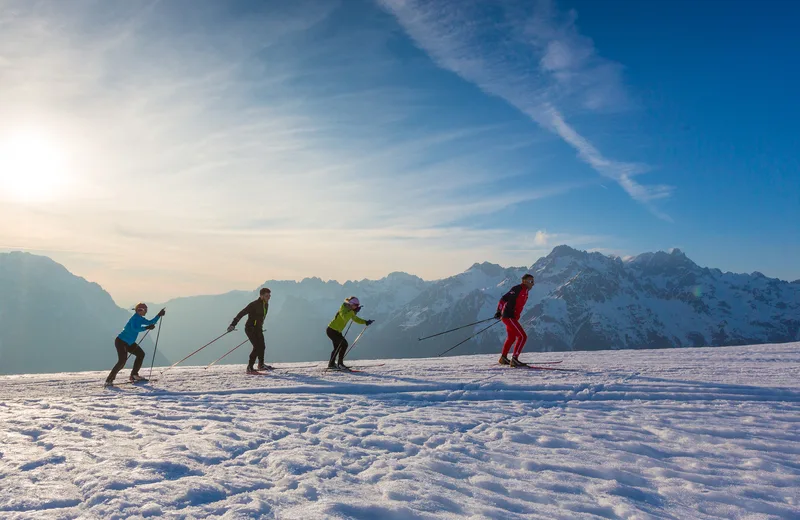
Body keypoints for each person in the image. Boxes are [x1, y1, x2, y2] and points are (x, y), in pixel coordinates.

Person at [105, 303, 165, 386]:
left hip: (129, 342)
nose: (146, 311)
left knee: (140, 354)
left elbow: (150, 322)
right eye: (145, 310)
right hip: (121, 342)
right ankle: (109, 380)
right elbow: (135, 328)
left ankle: (134, 375)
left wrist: (159, 315)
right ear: (139, 310)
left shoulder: (140, 318)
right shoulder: (134, 319)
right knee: (122, 361)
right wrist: (147, 327)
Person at [228, 287, 271, 374]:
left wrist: (259, 326)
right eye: (267, 296)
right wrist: (233, 324)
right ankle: (250, 367)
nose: (269, 297)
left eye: (269, 295)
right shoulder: (254, 304)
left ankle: (261, 365)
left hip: (258, 328)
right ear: (261, 296)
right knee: (257, 347)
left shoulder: (266, 304)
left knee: (262, 346)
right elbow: (242, 313)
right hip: (250, 328)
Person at [495, 274, 534, 367]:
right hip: (509, 316)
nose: (533, 283)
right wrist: (498, 311)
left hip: (512, 317)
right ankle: (515, 359)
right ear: (524, 281)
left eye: (533, 281)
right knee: (522, 336)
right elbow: (504, 298)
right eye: (531, 281)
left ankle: (503, 358)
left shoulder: (526, 291)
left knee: (511, 338)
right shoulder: (517, 289)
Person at [326, 296, 374, 370]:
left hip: (336, 331)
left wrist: (365, 322)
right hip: (332, 330)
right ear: (351, 304)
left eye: (357, 306)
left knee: (337, 348)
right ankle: (340, 364)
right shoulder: (343, 308)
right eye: (356, 305)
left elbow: (355, 319)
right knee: (344, 344)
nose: (357, 307)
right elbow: (344, 317)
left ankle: (331, 364)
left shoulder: (349, 310)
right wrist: (353, 312)